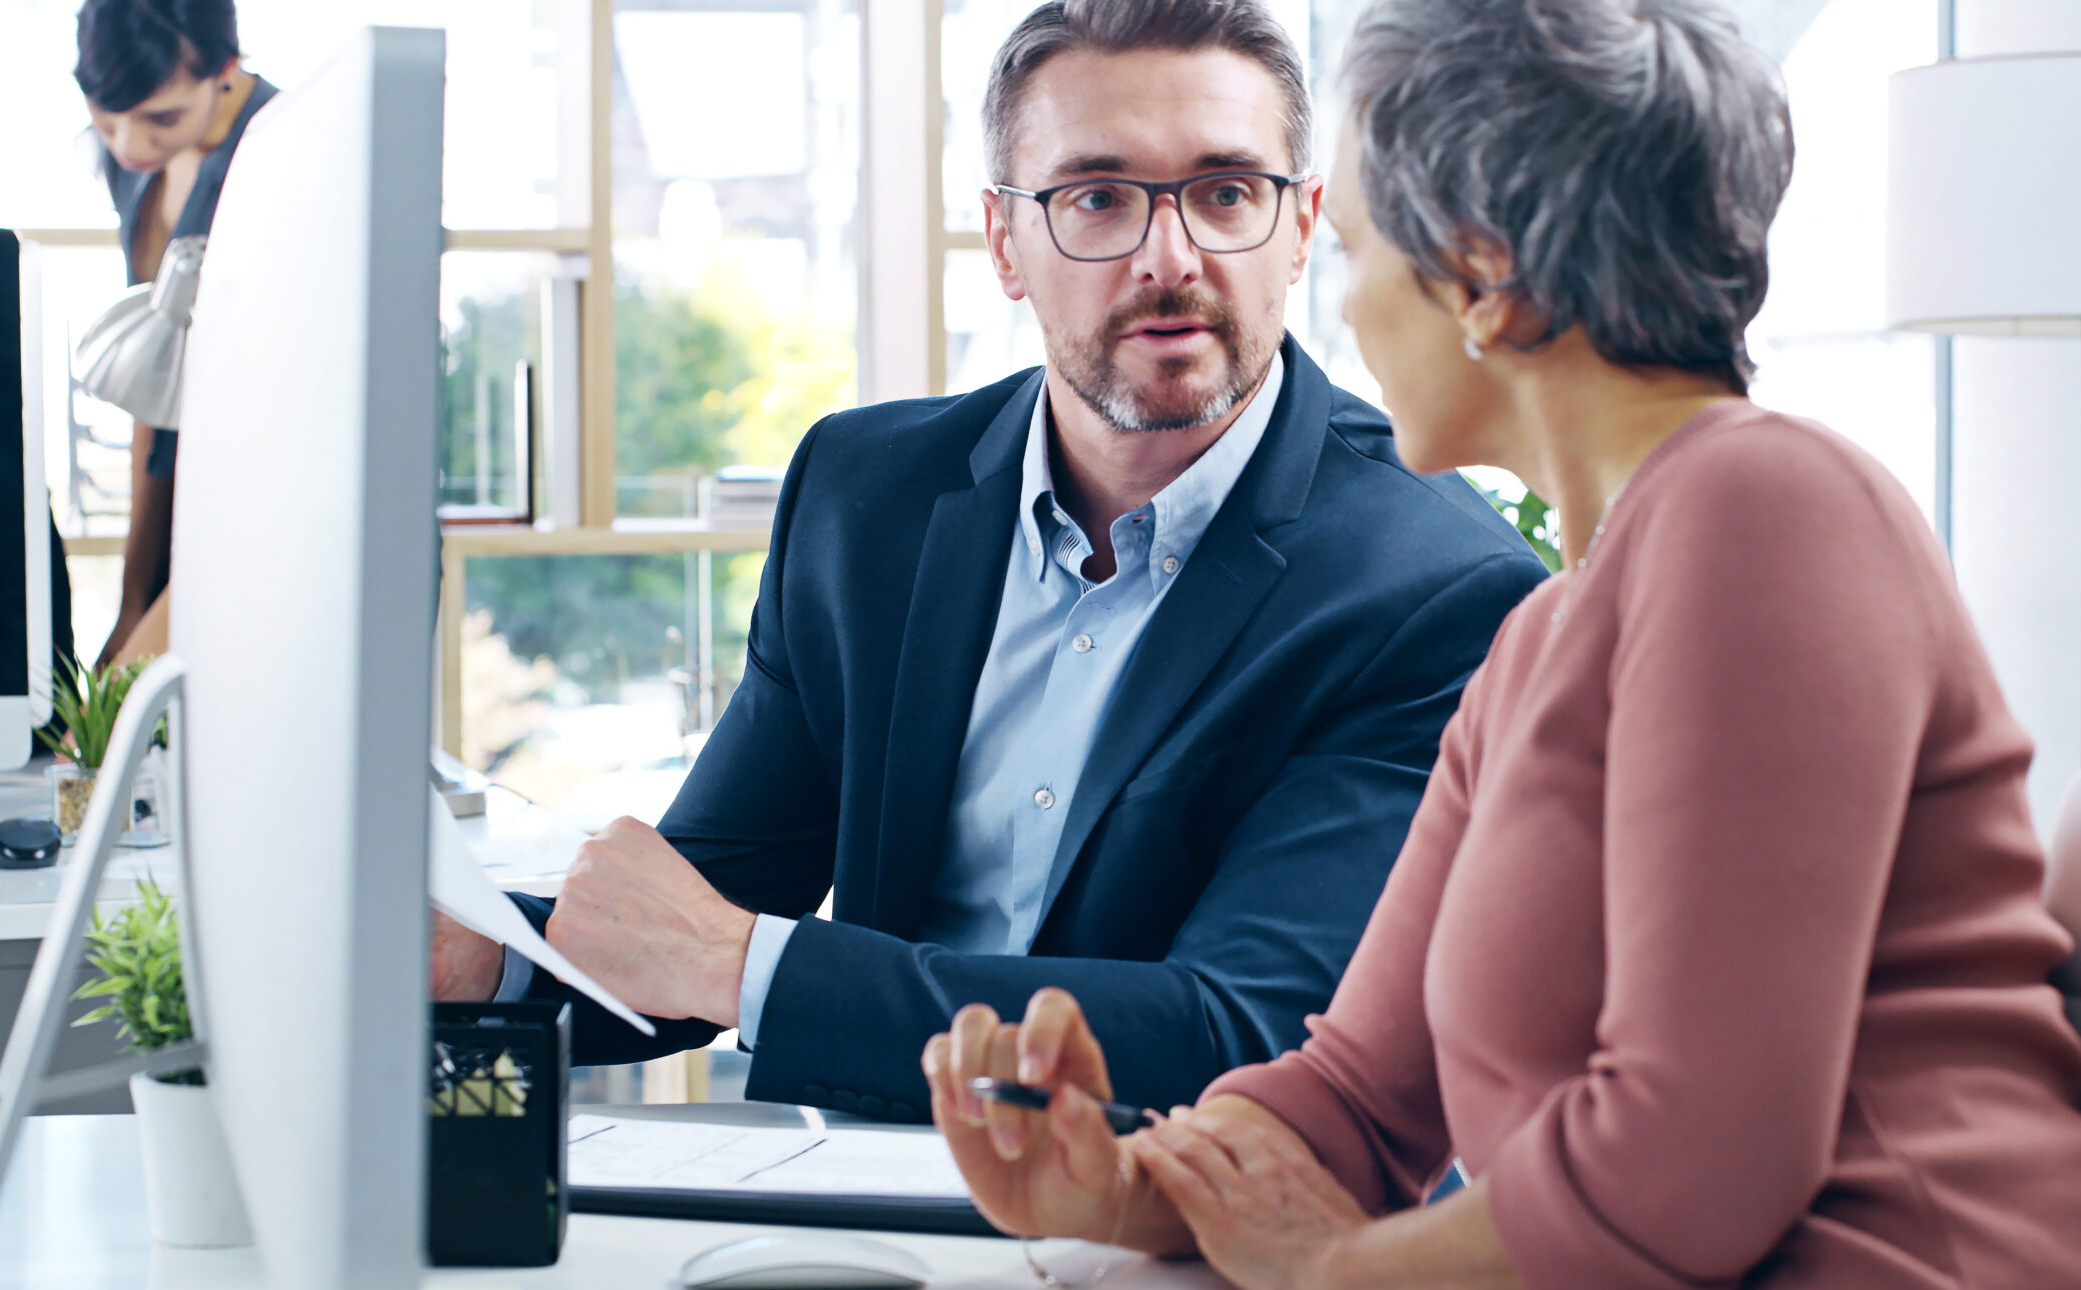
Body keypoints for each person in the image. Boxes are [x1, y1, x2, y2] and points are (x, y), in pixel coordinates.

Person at [919, 1, 2081, 1290]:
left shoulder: (1764, 511)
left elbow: (1681, 1181)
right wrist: (1121, 1183)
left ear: (1483, 276)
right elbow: (1358, 1097)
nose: (1343, 313)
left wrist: (1327, 1266)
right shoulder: (1547, 632)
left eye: (1357, 255)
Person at [429, 0, 1548, 1123]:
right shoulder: (864, 495)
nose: (1171, 258)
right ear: (1005, 242)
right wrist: (487, 960)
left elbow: (1240, 1033)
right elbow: (690, 914)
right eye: (1098, 198)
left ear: (1298, 228)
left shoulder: (1433, 590)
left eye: (1225, 193)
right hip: (860, 1193)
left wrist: (738, 965)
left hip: (1174, 1214)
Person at [74, 0, 274, 668]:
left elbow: (271, 436)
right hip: (183, 489)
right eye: (107, 118)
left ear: (227, 69)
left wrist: (151, 622)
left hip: (266, 503)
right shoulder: (133, 165)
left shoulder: (280, 153)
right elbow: (159, 397)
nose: (130, 145)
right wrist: (133, 601)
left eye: (161, 118)